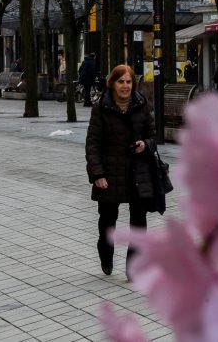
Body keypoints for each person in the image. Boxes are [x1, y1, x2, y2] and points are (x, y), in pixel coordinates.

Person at [85, 64, 159, 280]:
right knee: (107, 220)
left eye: (128, 82)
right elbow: (93, 144)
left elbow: (153, 137)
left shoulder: (142, 105)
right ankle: (106, 254)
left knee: (139, 222)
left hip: (137, 173)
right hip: (110, 173)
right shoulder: (101, 108)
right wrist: (97, 174)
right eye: (121, 82)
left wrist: (146, 144)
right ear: (112, 84)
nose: (125, 86)